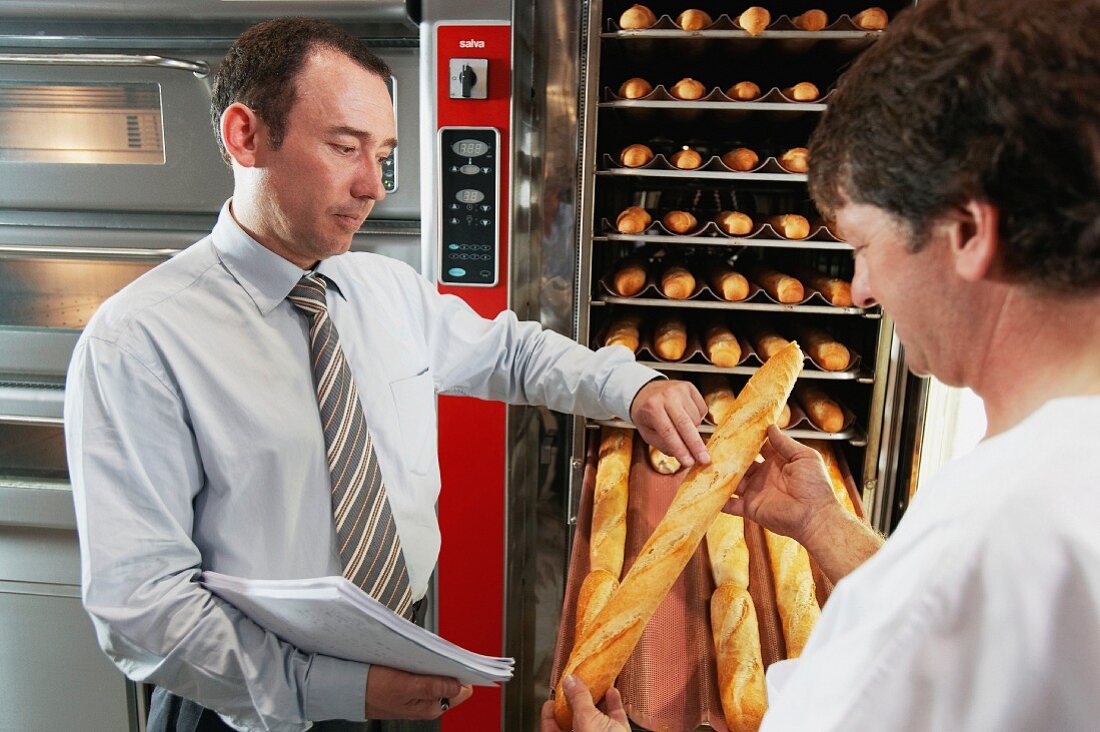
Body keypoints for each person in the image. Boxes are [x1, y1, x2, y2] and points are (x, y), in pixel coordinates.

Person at [63, 17, 711, 732]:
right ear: (245, 136)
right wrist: (335, 690)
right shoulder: (140, 338)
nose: (371, 184)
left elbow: (513, 353)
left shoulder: (384, 288)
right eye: (344, 147)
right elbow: (141, 607)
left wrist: (633, 388)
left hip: (402, 666)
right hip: (247, 700)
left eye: (384, 154)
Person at [546, 0, 1100, 729]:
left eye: (866, 247)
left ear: (968, 232)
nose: (862, 291)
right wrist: (824, 525)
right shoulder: (1048, 484)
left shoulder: (1001, 528)